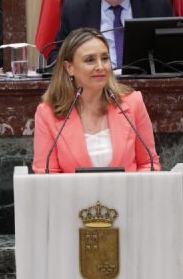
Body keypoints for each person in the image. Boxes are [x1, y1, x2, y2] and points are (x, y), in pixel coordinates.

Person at [33, 27, 161, 174]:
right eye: (90, 60)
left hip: (127, 189)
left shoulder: (133, 103)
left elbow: (149, 164)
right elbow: (46, 175)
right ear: (69, 68)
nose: (100, 67)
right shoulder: (47, 113)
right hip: (73, 190)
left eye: (105, 58)